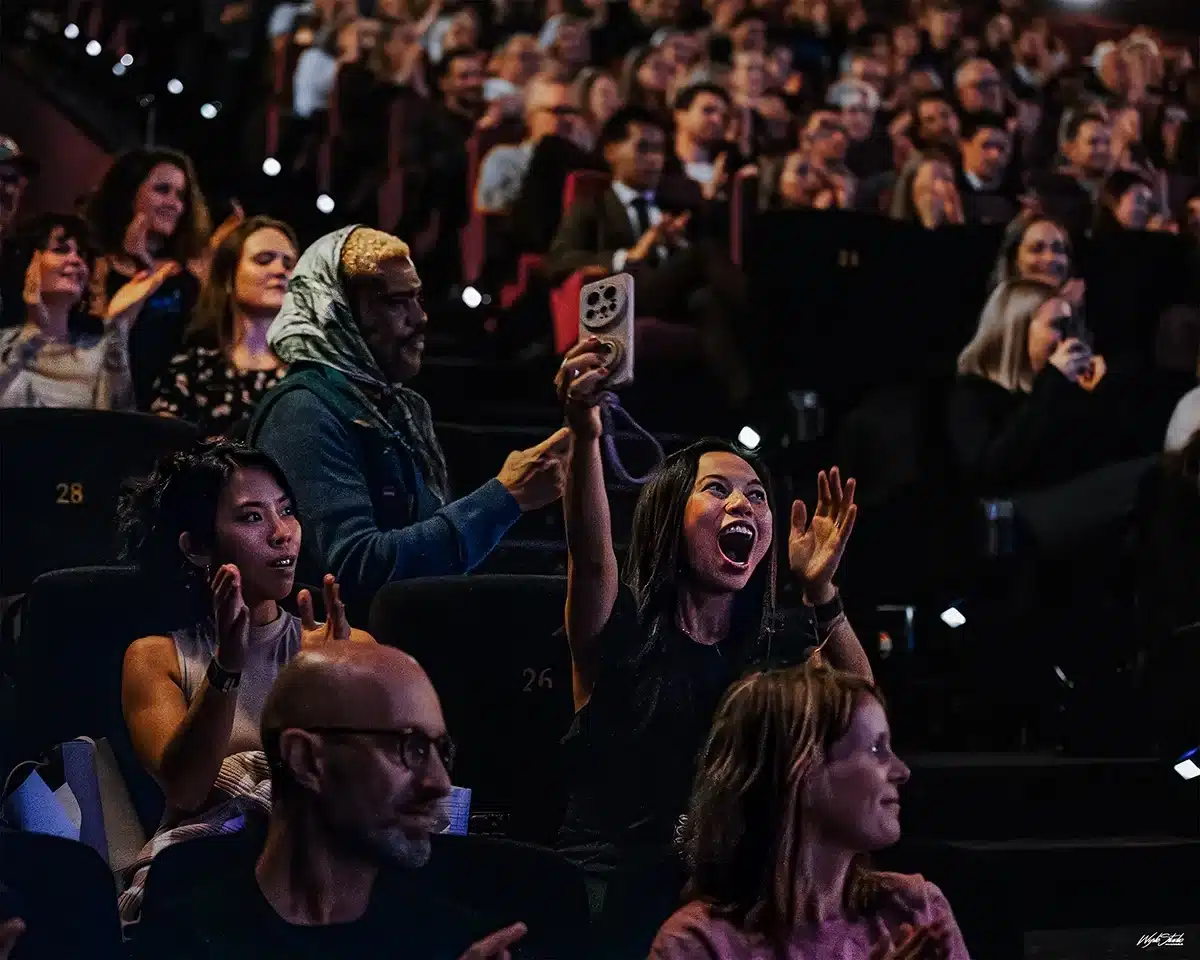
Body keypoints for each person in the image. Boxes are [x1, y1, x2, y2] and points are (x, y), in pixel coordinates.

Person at [554, 340, 873, 905]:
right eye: (717, 490)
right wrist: (585, 434)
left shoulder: (777, 646)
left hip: (728, 895)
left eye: (757, 495)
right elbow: (591, 548)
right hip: (612, 896)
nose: (744, 505)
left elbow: (860, 714)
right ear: (669, 520)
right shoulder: (618, 628)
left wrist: (822, 593)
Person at [248, 226, 569, 620]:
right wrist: (505, 498)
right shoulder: (302, 412)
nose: (420, 318)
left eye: (418, 298)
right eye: (395, 303)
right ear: (335, 314)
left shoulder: (395, 407)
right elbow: (355, 572)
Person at [133, 644, 530, 959]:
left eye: (441, 752)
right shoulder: (186, 931)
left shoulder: (462, 941)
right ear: (306, 759)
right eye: (410, 749)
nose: (440, 784)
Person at [117, 439, 373, 924]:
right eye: (252, 518)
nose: (283, 535)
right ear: (196, 547)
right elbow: (188, 792)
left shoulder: (345, 643)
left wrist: (333, 689)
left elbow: (378, 786)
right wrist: (227, 668)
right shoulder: (157, 658)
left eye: (286, 511)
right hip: (210, 880)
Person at [650, 661, 970, 959]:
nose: (901, 771)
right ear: (801, 770)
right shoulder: (697, 944)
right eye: (876, 748)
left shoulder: (915, 911)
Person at [546, 107, 753, 410]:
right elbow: (558, 261)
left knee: (708, 301)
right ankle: (761, 314)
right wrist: (629, 255)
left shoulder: (677, 204)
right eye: (643, 148)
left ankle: (743, 408)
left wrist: (676, 245)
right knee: (706, 251)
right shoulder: (593, 205)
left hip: (675, 300)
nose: (654, 159)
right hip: (622, 299)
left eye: (659, 150)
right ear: (611, 151)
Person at [948, 279, 1148, 493]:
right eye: (1057, 326)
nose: (1068, 338)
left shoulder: (1060, 391)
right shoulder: (973, 394)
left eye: (1070, 327)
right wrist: (1052, 380)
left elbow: (1109, 454)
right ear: (1017, 330)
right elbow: (995, 471)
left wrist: (1099, 392)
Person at [86, 147, 212, 409]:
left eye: (181, 195)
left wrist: (145, 264)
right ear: (128, 192)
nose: (174, 204)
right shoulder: (87, 265)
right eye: (162, 190)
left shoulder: (183, 283)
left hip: (159, 419)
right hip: (93, 411)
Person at [149, 217, 297, 437]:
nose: (280, 270)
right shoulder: (191, 369)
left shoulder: (309, 370)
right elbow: (163, 452)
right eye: (264, 259)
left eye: (289, 264)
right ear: (228, 277)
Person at [0, 214, 136, 409]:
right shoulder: (4, 344)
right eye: (60, 250)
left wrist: (118, 326)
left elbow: (119, 424)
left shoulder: (99, 351)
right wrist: (32, 331)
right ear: (27, 263)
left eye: (81, 253)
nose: (76, 260)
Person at [475, 78, 579, 214]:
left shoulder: (580, 161)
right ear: (530, 117)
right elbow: (486, 204)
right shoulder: (504, 159)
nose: (568, 120)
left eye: (571, 111)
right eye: (557, 111)